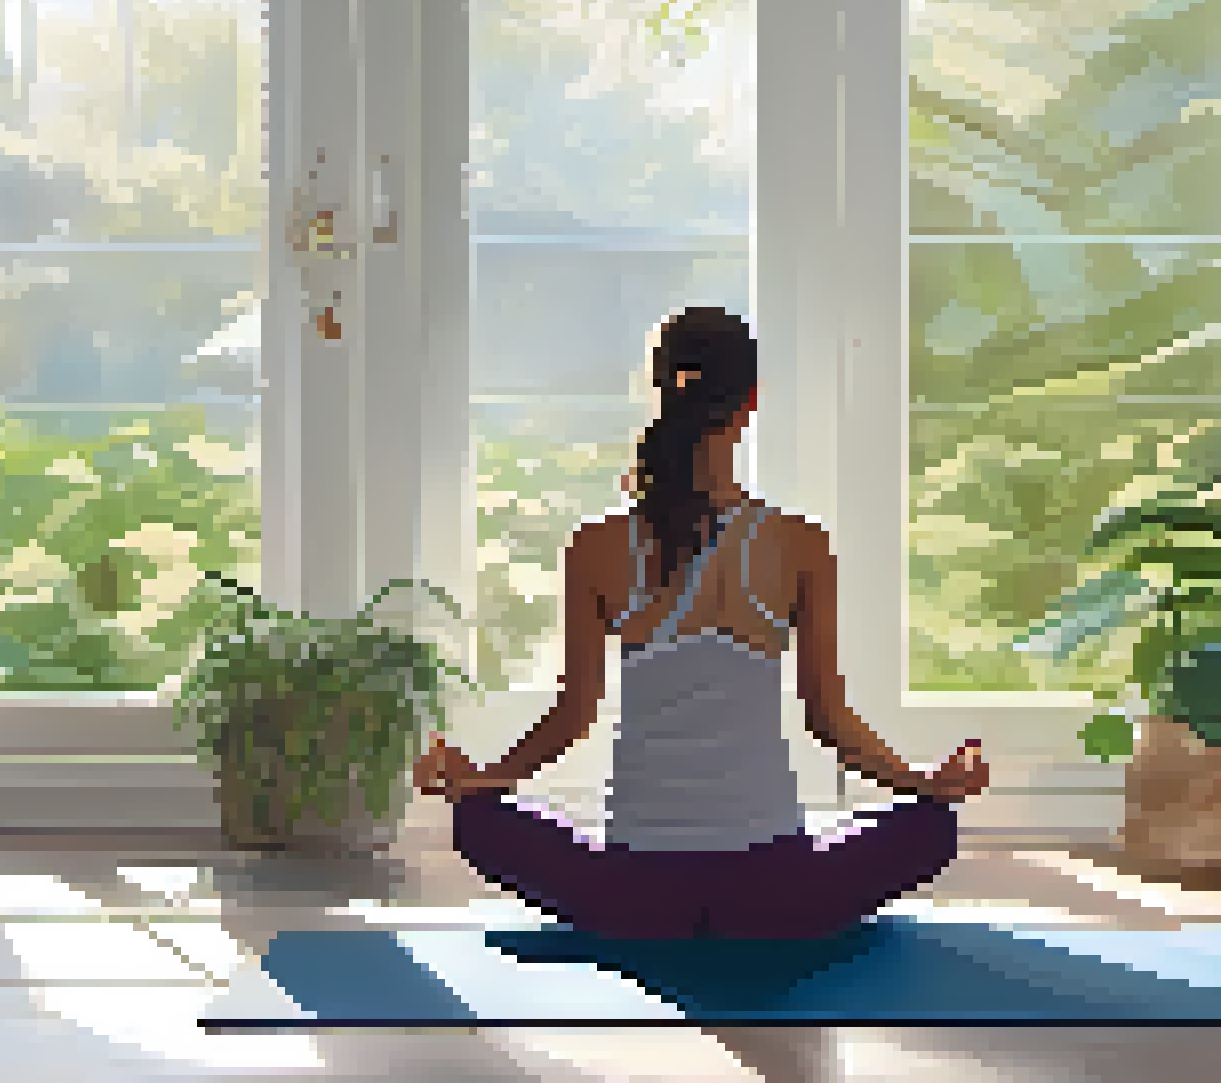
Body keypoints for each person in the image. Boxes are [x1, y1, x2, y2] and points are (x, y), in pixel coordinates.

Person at [412, 306, 990, 940]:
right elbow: (831, 725)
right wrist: (926, 783)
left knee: (477, 820)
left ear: (660, 391)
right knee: (932, 827)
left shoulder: (598, 546)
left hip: (632, 897)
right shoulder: (798, 544)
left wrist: (480, 781)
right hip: (777, 895)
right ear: (751, 401)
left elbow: (571, 719)